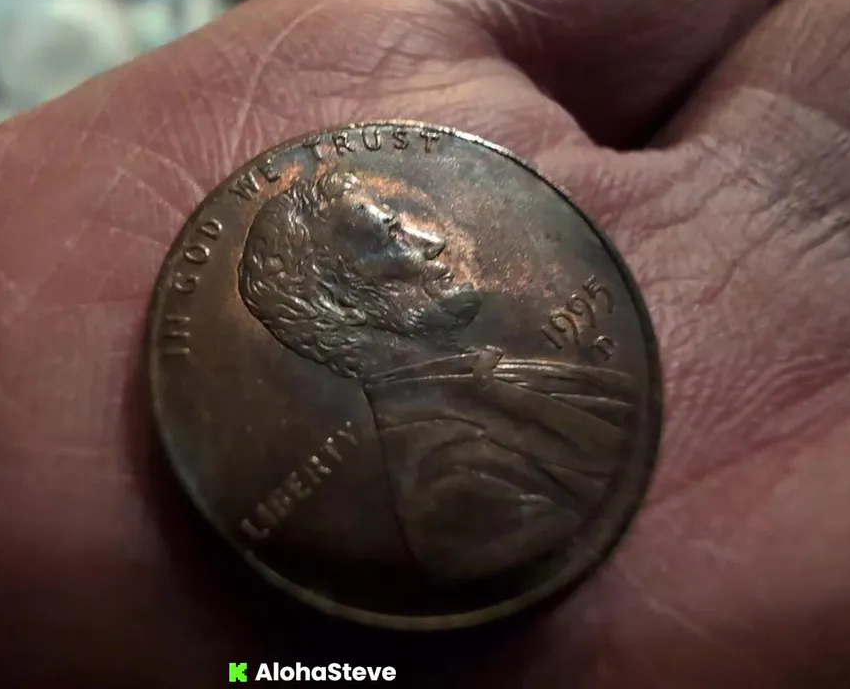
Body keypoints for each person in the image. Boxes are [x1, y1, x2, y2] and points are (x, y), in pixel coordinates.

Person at [0, 0, 850, 686]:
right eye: (382, 237)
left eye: (411, 210)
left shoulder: (538, 370)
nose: (428, 231)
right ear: (346, 310)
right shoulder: (458, 496)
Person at [238, 171, 638, 584]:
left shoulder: (494, 378)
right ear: (341, 303)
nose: (433, 242)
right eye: (391, 235)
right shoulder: (450, 490)